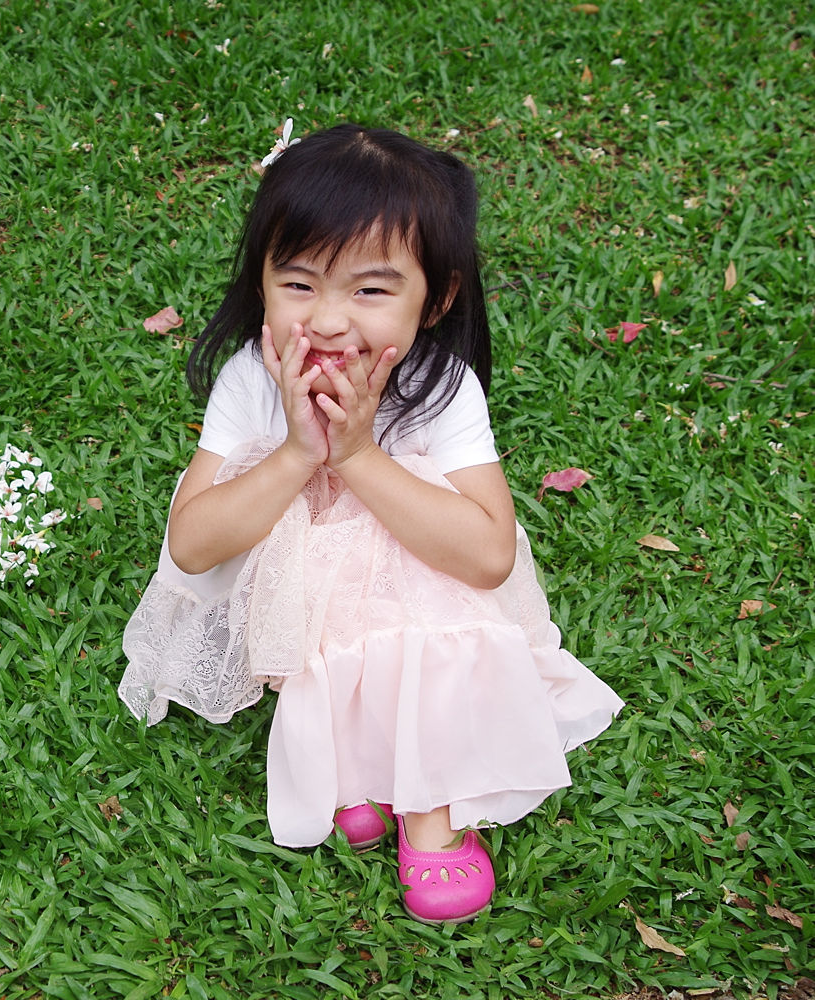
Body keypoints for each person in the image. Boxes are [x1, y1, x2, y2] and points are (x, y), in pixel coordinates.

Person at [120, 121, 623, 925]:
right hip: (294, 601)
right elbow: (191, 545)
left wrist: (357, 457)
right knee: (334, 576)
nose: (325, 321)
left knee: (418, 577)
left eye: (370, 290)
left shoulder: (441, 385)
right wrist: (294, 455)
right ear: (261, 283)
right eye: (298, 284)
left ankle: (430, 811)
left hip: (424, 586)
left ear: (439, 297)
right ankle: (353, 768)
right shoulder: (254, 379)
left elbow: (487, 556)